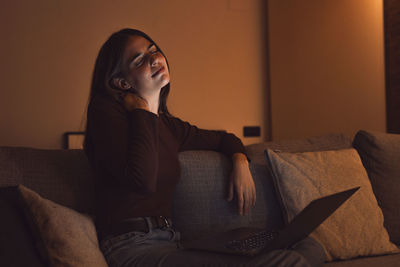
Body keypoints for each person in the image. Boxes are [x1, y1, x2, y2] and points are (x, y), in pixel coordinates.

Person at [83, 28, 325, 267]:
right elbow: (143, 179)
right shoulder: (105, 113)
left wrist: (240, 162)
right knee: (286, 261)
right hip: (131, 249)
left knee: (307, 246)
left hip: (172, 243)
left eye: (153, 50)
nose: (155, 58)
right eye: (140, 60)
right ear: (121, 82)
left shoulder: (169, 126)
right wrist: (143, 108)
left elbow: (224, 139)